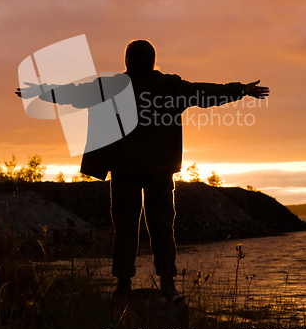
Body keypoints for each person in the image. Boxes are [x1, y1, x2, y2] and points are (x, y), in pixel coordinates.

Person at [16, 39, 269, 301]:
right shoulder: (170, 86)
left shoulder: (113, 87)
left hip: (124, 171)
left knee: (125, 228)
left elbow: (75, 93)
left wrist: (42, 92)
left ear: (127, 61)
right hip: (160, 172)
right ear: (153, 60)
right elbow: (206, 93)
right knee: (162, 227)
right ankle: (168, 284)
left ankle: (123, 285)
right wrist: (242, 89)